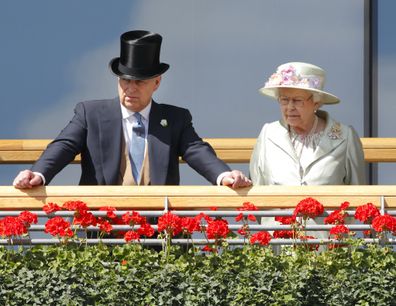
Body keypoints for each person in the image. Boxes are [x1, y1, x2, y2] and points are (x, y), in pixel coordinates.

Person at [13, 30, 251, 190]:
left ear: (156, 83)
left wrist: (224, 176)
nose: (130, 88)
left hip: (159, 233)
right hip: (101, 231)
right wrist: (38, 174)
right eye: (125, 80)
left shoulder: (176, 119)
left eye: (139, 82)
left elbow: (197, 151)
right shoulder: (91, 113)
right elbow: (63, 146)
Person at [249, 62, 366, 244]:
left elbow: (358, 194)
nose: (289, 107)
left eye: (297, 100)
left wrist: (337, 237)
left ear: (316, 103)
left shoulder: (345, 136)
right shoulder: (267, 134)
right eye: (284, 100)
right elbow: (256, 192)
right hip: (276, 248)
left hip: (328, 248)